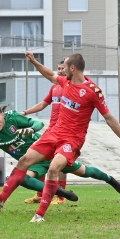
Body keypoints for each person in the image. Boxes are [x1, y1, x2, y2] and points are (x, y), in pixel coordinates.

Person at [0, 51, 120, 223]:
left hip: (71, 140)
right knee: (24, 161)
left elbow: (109, 118)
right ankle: (0, 200)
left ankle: (40, 215)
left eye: (64, 67)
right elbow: (50, 76)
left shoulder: (93, 91)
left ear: (72, 68)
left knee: (55, 169)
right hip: (53, 134)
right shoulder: (64, 83)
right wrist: (33, 62)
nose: (61, 71)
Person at [0, 104, 120, 203]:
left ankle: (111, 180)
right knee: (22, 178)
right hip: (32, 163)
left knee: (85, 171)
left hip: (49, 152)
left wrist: (31, 129)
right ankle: (59, 191)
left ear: (2, 115)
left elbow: (38, 123)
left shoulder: (13, 118)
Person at [19, 59, 70, 205]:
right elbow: (42, 105)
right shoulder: (54, 88)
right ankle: (40, 194)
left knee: (60, 164)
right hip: (51, 130)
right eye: (59, 68)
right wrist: (24, 112)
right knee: (41, 159)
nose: (60, 70)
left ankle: (61, 197)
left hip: (65, 131)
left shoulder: (71, 87)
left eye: (63, 68)